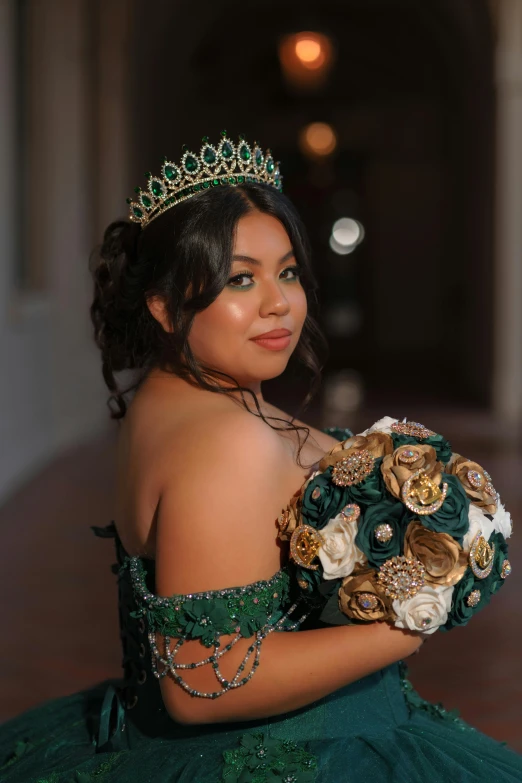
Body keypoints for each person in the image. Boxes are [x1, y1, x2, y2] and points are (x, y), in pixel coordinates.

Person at [1, 133, 521, 783]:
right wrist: (407, 625)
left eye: (289, 272)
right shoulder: (225, 438)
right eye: (240, 278)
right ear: (163, 304)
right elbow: (198, 681)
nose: (279, 303)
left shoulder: (166, 400)